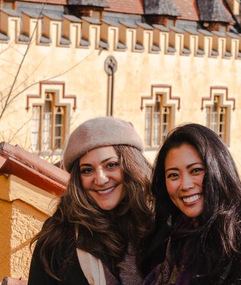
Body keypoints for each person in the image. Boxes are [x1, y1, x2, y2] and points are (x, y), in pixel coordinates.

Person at [141, 124, 241, 285]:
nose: (185, 185)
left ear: (219, 172)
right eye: (173, 175)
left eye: (196, 170)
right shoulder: (173, 244)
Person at [29, 117, 157, 285]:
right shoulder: (60, 237)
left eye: (111, 165)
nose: (101, 179)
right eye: (87, 170)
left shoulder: (160, 226)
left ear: (131, 166)